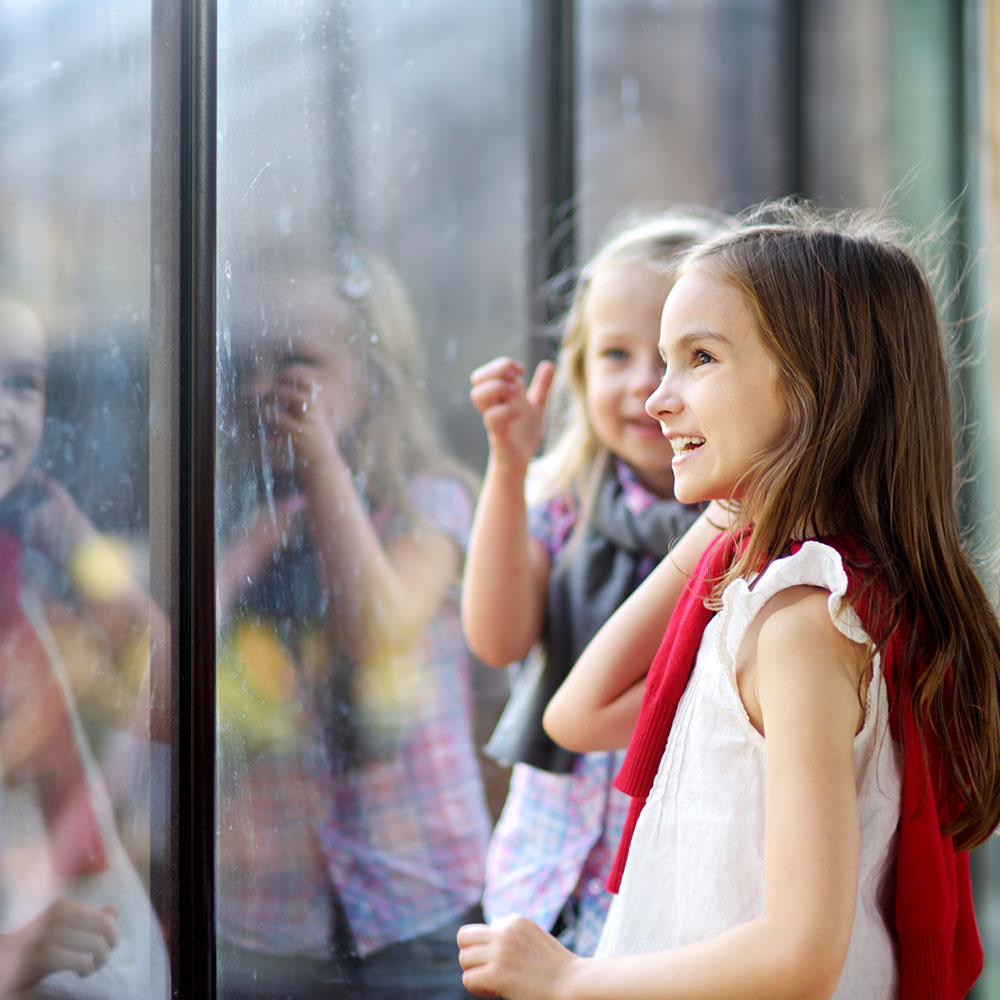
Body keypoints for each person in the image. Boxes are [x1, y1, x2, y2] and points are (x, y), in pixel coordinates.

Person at [456, 199, 1000, 1000]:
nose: (656, 400)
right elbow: (574, 712)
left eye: (699, 358)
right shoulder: (766, 592)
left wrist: (570, 980)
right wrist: (731, 506)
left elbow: (800, 955)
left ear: (819, 387)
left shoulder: (804, 628)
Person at [215, 245, 493, 1000]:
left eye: (296, 363)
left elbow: (374, 629)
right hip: (265, 905)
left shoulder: (429, 505)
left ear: (373, 379)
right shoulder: (232, 519)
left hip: (417, 898)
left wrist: (320, 467)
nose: (262, 386)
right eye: (245, 363)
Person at [462, 210, 723, 956]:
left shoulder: (748, 519)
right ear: (576, 371)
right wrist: (508, 470)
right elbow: (497, 637)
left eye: (689, 357)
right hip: (547, 876)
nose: (647, 384)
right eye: (616, 354)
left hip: (675, 889)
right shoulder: (555, 499)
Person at [0, 293, 171, 997]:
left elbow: (166, 696)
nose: (5, 409)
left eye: (23, 383)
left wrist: (75, 541)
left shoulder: (28, 558)